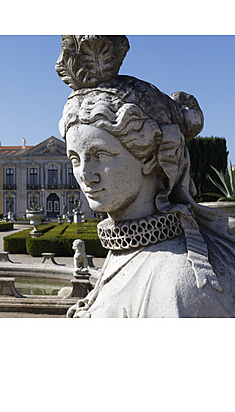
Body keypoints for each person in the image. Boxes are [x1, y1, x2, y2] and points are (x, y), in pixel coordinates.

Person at [56, 35, 235, 318]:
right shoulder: (130, 252)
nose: (86, 175)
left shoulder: (178, 283)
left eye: (101, 156)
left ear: (150, 157)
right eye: (76, 159)